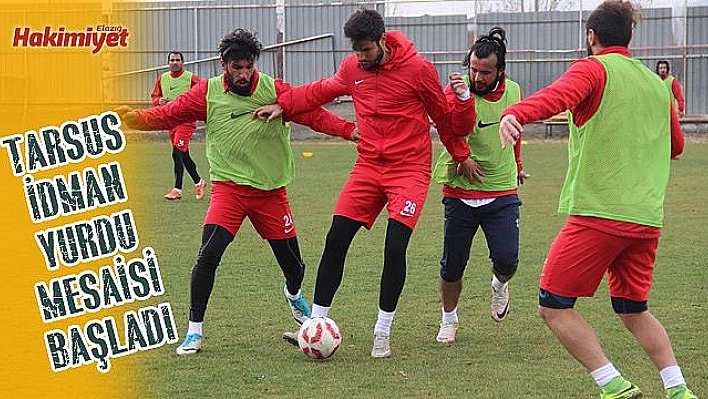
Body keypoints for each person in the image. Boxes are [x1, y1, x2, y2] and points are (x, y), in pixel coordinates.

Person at [116, 29, 358, 355]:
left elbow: (312, 115)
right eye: (237, 68)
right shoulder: (208, 93)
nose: (243, 74)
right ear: (223, 65)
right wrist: (134, 120)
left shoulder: (274, 90)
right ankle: (194, 333)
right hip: (229, 190)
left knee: (295, 268)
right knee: (208, 255)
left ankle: (292, 294)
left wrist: (347, 129)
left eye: (248, 67)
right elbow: (170, 113)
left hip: (270, 192)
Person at [498, 1, 695, 398]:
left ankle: (613, 384)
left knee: (552, 305)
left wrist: (516, 112)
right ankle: (678, 389)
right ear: (631, 37)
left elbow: (557, 96)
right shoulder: (657, 86)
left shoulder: (593, 68)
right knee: (633, 309)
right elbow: (676, 146)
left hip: (599, 214)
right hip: (646, 220)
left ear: (591, 36)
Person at [256, 7, 476, 358]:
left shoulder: (418, 70)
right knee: (336, 238)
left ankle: (382, 331)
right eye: (356, 51)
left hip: (409, 170)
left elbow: (443, 118)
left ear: (382, 41)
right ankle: (314, 325)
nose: (360, 57)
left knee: (394, 247)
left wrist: (461, 154)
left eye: (366, 51)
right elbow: (319, 91)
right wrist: (284, 104)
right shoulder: (352, 68)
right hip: (369, 167)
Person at [431, 27, 527, 344]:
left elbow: (515, 131)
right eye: (473, 69)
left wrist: (519, 166)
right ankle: (449, 319)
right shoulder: (457, 90)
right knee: (452, 265)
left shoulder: (514, 91)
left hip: (501, 190)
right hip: (460, 192)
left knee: (508, 259)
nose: (477, 76)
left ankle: (499, 286)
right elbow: (450, 129)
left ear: (500, 71)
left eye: (485, 72)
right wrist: (463, 157)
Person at [152, 51, 206, 200]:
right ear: (168, 62)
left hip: (186, 121)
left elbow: (204, 93)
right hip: (171, 122)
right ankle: (199, 182)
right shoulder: (162, 78)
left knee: (177, 153)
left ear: (183, 62)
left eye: (177, 60)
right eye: (172, 60)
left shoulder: (191, 78)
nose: (174, 62)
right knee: (184, 154)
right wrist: (159, 101)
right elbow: (155, 97)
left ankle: (177, 189)